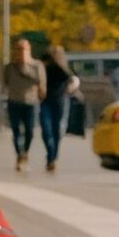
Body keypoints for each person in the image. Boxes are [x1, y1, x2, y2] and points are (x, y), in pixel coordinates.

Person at [1, 38, 48, 172]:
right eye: (18, 49)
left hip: (31, 102)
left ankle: (25, 151)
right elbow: (5, 82)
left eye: (24, 49)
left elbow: (41, 81)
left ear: (29, 50)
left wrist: (25, 67)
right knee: (16, 131)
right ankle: (20, 155)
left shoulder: (36, 65)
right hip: (14, 101)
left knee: (30, 131)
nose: (21, 52)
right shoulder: (10, 67)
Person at [39, 43, 83, 172]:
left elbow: (73, 79)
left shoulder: (63, 68)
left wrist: (69, 90)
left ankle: (52, 157)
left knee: (57, 129)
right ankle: (51, 154)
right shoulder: (44, 65)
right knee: (46, 130)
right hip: (45, 101)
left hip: (60, 101)